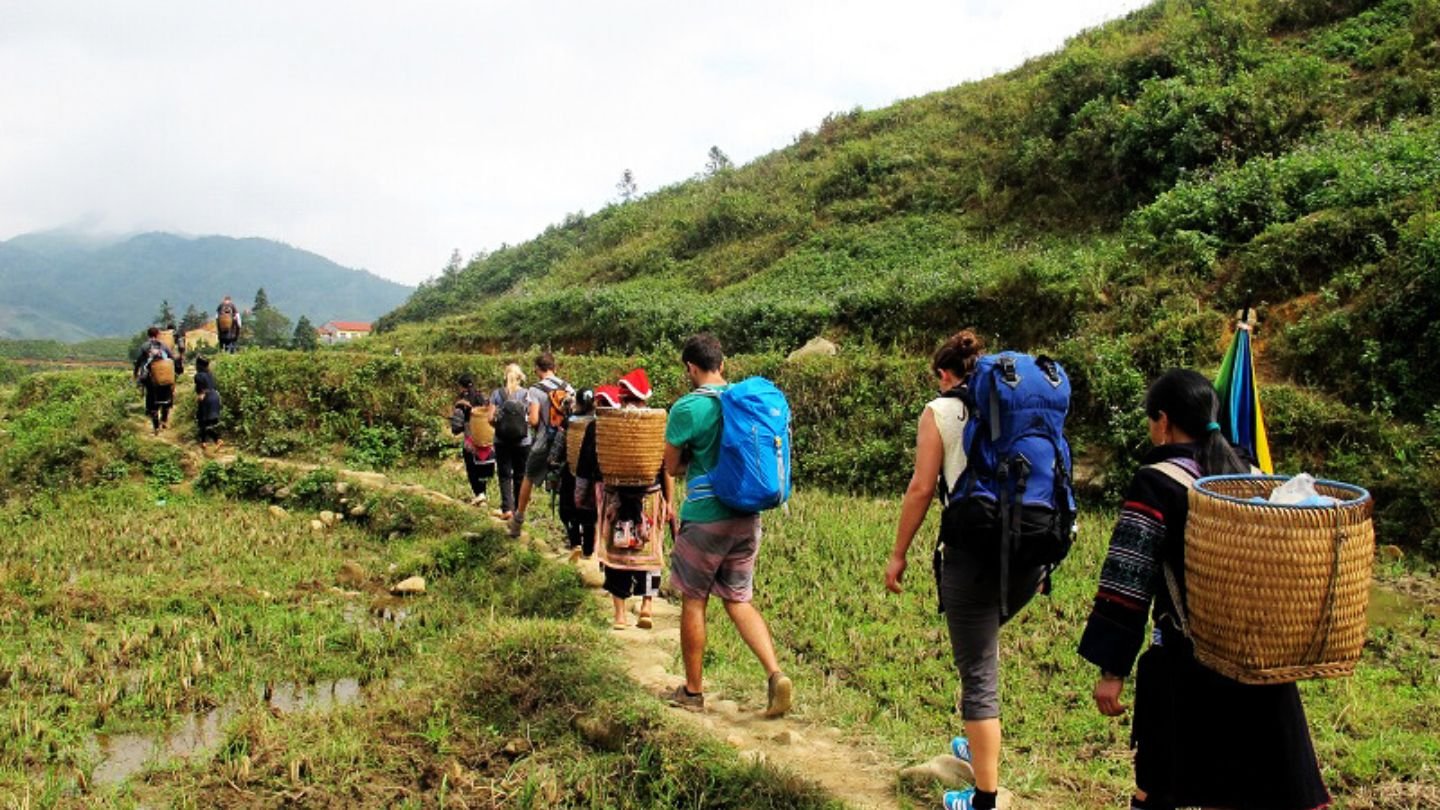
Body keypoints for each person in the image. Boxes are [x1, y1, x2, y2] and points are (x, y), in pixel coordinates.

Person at [1078, 369, 1330, 810]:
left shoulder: (1157, 481)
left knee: (1160, 785)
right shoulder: (1250, 473)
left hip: (1188, 662)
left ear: (1163, 421)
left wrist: (1111, 670)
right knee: (1239, 785)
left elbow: (1128, 578)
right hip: (1256, 658)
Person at [885, 330, 1029, 810]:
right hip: (1031, 551)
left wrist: (898, 553)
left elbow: (922, 488)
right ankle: (976, 743)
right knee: (983, 650)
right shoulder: (1019, 405)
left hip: (973, 552)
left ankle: (984, 797)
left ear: (945, 375)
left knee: (978, 672)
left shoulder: (940, 412)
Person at [662, 333, 792, 717]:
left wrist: (693, 462)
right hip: (747, 517)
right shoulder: (746, 402)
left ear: (690, 367)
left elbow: (670, 466)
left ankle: (693, 691)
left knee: (694, 599)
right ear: (723, 363)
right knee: (739, 600)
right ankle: (775, 674)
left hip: (705, 517)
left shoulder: (687, 408)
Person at [591, 371, 672, 630]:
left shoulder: (609, 424)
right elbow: (666, 468)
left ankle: (620, 615)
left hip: (616, 497)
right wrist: (670, 503)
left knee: (617, 556)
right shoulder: (656, 425)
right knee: (650, 553)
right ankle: (647, 606)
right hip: (649, 496)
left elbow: (600, 465)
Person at [507, 352, 573, 538]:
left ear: (538, 369)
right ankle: (573, 533)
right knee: (567, 484)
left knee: (528, 477)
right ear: (554, 367)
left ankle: (517, 521)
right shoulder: (568, 387)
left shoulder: (535, 390)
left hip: (544, 442)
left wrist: (529, 419)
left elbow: (534, 420)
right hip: (566, 444)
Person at [560, 388, 600, 562]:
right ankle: (589, 551)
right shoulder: (599, 423)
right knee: (590, 514)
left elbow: (559, 444)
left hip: (574, 471)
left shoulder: (570, 421)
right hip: (594, 473)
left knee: (568, 509)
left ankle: (576, 543)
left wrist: (552, 462)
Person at [490, 363, 530, 520]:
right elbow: (531, 418)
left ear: (505, 376)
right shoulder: (527, 394)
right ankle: (519, 511)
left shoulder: (497, 394)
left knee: (504, 474)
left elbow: (489, 418)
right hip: (523, 442)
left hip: (502, 441)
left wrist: (500, 427)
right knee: (520, 475)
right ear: (520, 377)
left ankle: (507, 509)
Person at [449, 374, 495, 507]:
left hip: (471, 442)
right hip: (488, 443)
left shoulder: (462, 404)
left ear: (461, 387)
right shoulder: (484, 399)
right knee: (484, 469)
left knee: (472, 469)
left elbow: (456, 428)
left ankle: (480, 494)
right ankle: (483, 493)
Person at [133, 326, 175, 435]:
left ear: (148, 335)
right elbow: (172, 358)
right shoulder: (163, 345)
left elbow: (138, 361)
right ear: (157, 334)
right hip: (163, 375)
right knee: (166, 398)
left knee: (152, 401)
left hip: (150, 378)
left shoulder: (144, 346)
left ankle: (156, 427)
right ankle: (164, 420)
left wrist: (135, 373)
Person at [193, 356, 222, 450]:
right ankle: (205, 442)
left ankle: (216, 440)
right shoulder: (210, 374)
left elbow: (201, 391)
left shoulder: (198, 376)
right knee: (211, 421)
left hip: (207, 398)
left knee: (202, 421)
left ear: (198, 365)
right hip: (215, 396)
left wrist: (200, 398)